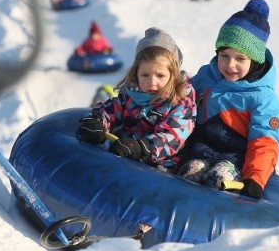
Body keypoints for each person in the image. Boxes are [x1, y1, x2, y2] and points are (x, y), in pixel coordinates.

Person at [178, 0, 279, 200]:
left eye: (240, 58)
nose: (230, 65)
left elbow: (265, 141)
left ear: (255, 61)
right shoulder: (206, 76)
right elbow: (181, 99)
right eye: (224, 55)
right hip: (200, 150)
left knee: (218, 180)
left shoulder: (263, 98)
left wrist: (255, 178)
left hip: (236, 158)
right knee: (189, 172)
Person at [76, 28, 196, 170]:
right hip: (125, 151)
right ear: (136, 73)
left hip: (163, 164)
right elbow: (111, 109)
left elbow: (173, 136)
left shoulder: (181, 101)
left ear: (173, 75)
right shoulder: (131, 94)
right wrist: (97, 121)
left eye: (160, 75)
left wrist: (142, 147)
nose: (152, 82)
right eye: (145, 75)